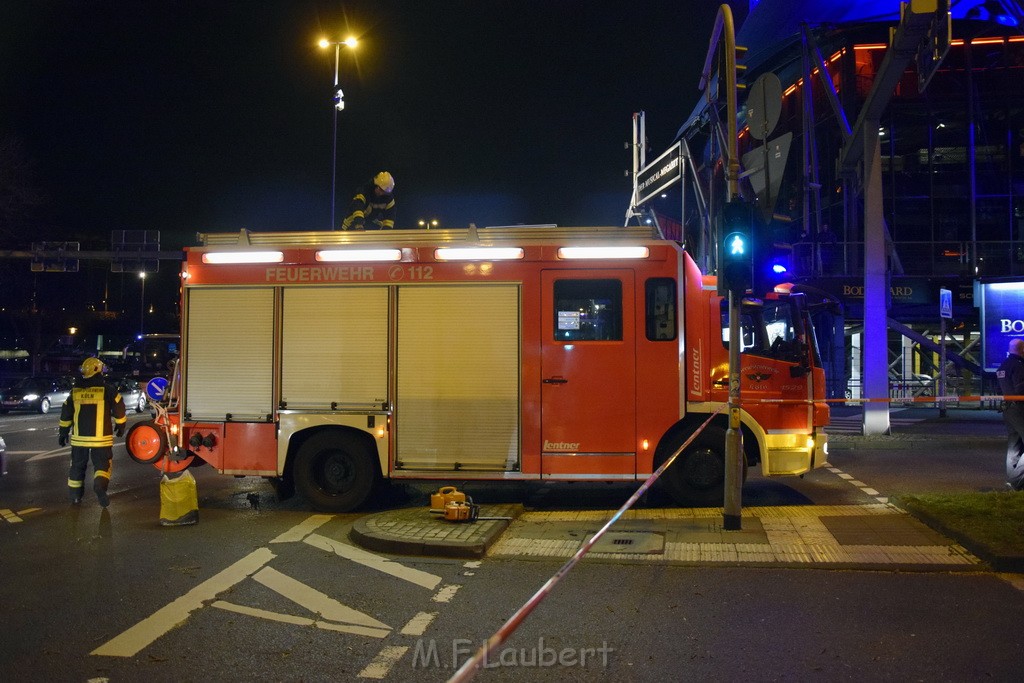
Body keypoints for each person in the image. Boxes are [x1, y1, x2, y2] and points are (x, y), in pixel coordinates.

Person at [59, 357, 127, 507]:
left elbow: (66, 413)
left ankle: (75, 497)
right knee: (103, 465)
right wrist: (121, 425)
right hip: (101, 439)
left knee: (77, 466)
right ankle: (99, 485)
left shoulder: (75, 391)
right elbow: (119, 407)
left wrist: (63, 433)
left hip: (79, 439)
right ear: (98, 371)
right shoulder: (107, 390)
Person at [996, 338, 1024, 491]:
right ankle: (1015, 481)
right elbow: (1021, 389)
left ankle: (1012, 481)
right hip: (1019, 408)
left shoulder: (1003, 365)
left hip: (1007, 409)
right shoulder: (1019, 366)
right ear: (1022, 350)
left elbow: (999, 390)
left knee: (1014, 445)